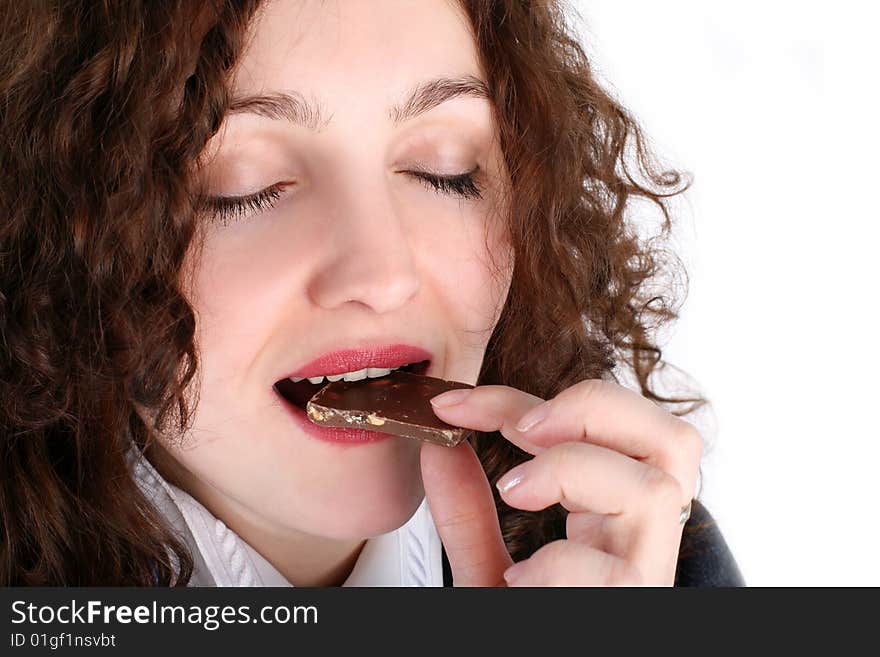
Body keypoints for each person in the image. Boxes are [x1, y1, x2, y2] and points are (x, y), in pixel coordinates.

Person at [0, 0, 743, 587]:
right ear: (67, 223)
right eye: (244, 186)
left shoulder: (640, 565)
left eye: (445, 171)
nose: (386, 275)